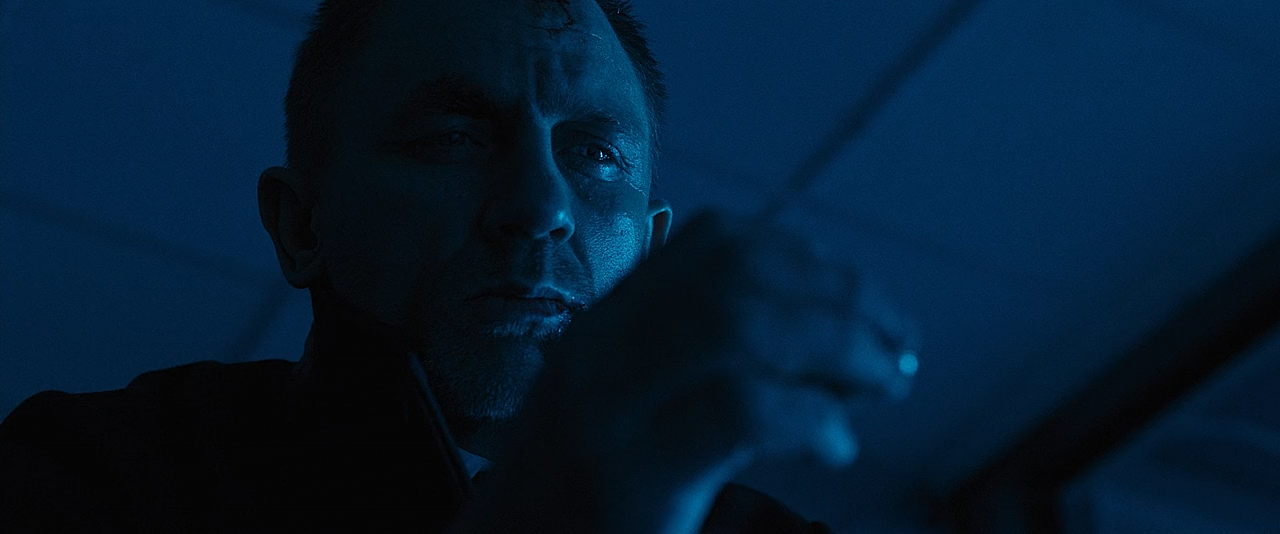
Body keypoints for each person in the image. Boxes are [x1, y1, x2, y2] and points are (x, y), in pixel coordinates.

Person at [0, 0, 918, 532]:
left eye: (596, 155)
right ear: (301, 224)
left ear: (651, 246)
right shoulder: (99, 473)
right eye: (453, 138)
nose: (540, 206)